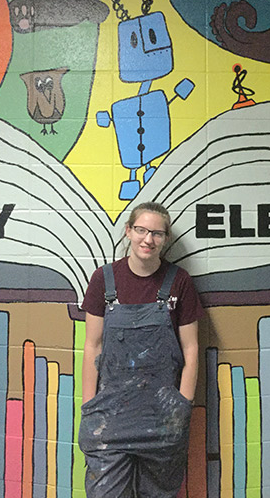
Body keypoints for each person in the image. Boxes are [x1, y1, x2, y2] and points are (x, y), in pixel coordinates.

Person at [79, 202, 204, 498]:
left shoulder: (179, 282)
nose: (148, 239)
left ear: (166, 239)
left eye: (157, 233)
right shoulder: (104, 280)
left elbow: (191, 348)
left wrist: (182, 406)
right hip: (108, 418)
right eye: (141, 230)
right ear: (128, 232)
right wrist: (89, 407)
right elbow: (92, 345)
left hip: (162, 418)